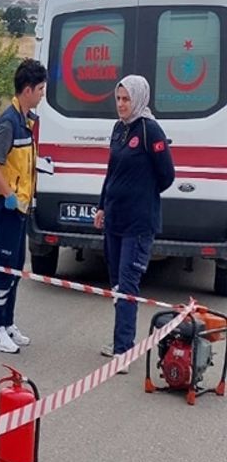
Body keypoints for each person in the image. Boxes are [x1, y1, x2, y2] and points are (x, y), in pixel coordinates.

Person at [94, 75, 175, 373]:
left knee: (128, 285)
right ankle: (119, 342)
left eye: (126, 99)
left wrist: (143, 192)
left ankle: (124, 351)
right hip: (114, 218)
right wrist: (102, 207)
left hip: (138, 223)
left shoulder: (149, 129)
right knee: (116, 283)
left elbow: (167, 174)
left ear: (139, 98)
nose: (121, 105)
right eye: (118, 99)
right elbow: (111, 172)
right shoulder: (119, 129)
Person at [0, 58, 47, 354]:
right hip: (6, 207)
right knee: (4, 268)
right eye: (41, 89)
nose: (43, 94)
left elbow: (18, 161)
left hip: (21, 207)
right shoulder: (8, 122)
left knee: (16, 267)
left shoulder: (25, 120)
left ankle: (8, 324)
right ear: (28, 89)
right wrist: (7, 193)